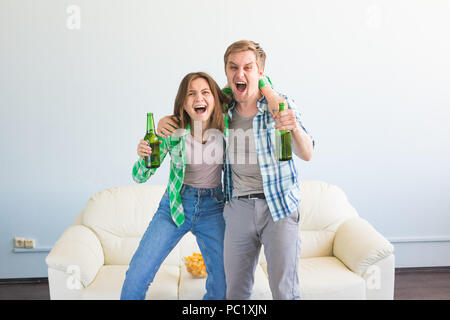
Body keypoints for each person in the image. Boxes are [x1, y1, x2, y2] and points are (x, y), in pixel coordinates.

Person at [157, 40, 315, 300]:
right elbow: (191, 111)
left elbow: (307, 153)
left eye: (248, 67)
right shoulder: (222, 109)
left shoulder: (280, 105)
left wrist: (293, 126)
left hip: (279, 207)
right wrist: (167, 120)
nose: (239, 74)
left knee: (285, 292)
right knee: (234, 294)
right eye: (233, 67)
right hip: (238, 208)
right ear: (227, 72)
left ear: (260, 73)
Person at [120, 72, 231, 300]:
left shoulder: (227, 125)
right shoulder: (171, 130)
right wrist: (144, 155)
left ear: (215, 99)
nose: (198, 98)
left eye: (205, 92)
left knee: (223, 284)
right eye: (191, 94)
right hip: (175, 205)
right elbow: (139, 176)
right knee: (136, 276)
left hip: (214, 208)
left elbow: (242, 88)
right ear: (183, 103)